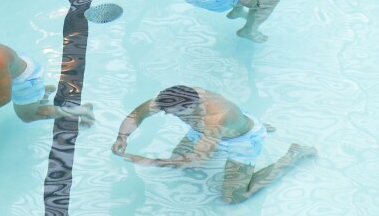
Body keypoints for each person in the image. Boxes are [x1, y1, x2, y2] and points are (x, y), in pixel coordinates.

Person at [112, 85, 316, 204]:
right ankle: (257, 123)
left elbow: (197, 161)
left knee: (233, 197)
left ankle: (293, 155)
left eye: (177, 113)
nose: (168, 115)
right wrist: (122, 136)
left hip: (241, 140)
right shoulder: (176, 98)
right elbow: (139, 113)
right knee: (177, 160)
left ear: (192, 105)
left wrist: (148, 161)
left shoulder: (215, 119)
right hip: (205, 129)